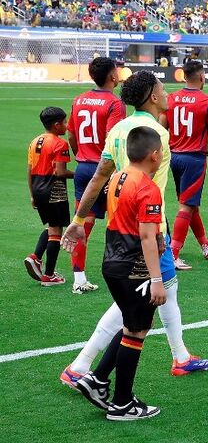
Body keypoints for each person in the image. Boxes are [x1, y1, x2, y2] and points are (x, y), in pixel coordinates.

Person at [61, 70, 208, 388]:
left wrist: (78, 220)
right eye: (162, 88)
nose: (167, 92)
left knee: (166, 290)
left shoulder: (118, 129)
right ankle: (81, 366)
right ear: (153, 97)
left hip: (120, 226)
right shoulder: (156, 133)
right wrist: (157, 237)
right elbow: (151, 189)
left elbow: (99, 177)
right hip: (146, 231)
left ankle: (181, 357)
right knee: (136, 303)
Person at [73, 126, 167, 421]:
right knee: (136, 331)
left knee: (129, 326)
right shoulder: (148, 188)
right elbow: (147, 237)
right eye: (161, 150)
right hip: (134, 268)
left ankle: (97, 380)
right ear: (154, 155)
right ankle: (122, 403)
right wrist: (156, 280)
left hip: (111, 262)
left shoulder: (116, 177)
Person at [66, 57, 124, 293]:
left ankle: (79, 279)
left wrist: (80, 154)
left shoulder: (79, 99)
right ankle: (122, 271)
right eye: (117, 72)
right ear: (112, 77)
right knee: (120, 221)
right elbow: (113, 139)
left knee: (82, 224)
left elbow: (71, 134)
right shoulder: (115, 103)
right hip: (105, 169)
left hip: (83, 167)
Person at [165, 60, 208, 269]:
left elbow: (161, 127)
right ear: (202, 77)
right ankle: (173, 254)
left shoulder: (171, 99)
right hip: (194, 159)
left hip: (173, 156)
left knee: (191, 204)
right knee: (187, 205)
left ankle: (205, 245)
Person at [26, 106, 73, 286]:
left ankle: (36, 257)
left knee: (52, 227)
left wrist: (32, 195)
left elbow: (29, 170)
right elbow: (60, 173)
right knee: (56, 232)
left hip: (37, 188)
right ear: (56, 125)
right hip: (54, 190)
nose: (66, 126)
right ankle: (49, 275)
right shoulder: (60, 144)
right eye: (64, 122)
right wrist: (81, 174)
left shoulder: (34, 141)